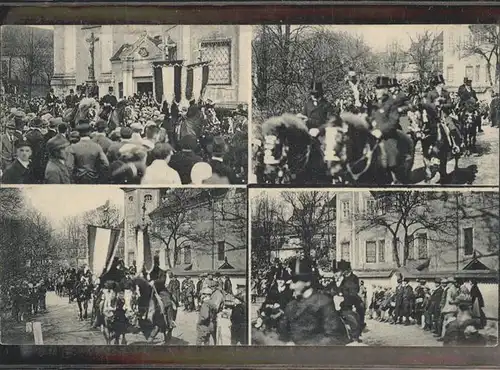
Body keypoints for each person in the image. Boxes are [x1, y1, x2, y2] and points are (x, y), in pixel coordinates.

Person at [277, 256, 349, 345]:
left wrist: (304, 346)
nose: (291, 286)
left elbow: (336, 338)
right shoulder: (291, 305)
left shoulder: (323, 303)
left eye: (295, 282)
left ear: (307, 282)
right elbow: (282, 334)